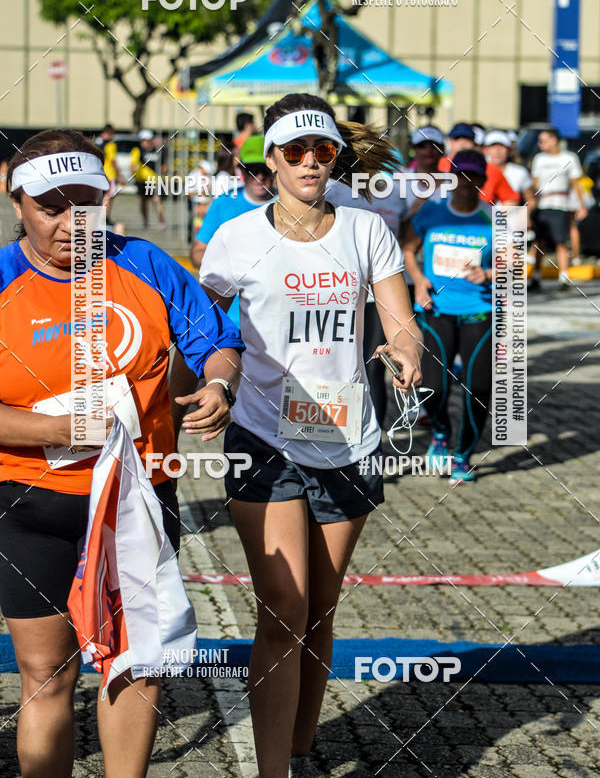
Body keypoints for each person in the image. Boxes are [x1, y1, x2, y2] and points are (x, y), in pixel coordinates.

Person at [178, 92, 422, 778]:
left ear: (334, 155)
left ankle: (300, 745)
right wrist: (207, 386)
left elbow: (399, 320)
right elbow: (204, 333)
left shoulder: (366, 229)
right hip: (263, 435)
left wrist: (406, 353)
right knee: (283, 606)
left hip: (348, 437)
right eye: (295, 151)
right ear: (270, 160)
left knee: (320, 607)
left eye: (322, 150)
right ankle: (271, 771)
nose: (311, 162)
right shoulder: (234, 239)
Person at [0, 129, 244, 778]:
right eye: (52, 207)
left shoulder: (144, 262)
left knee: (136, 667)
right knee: (47, 678)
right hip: (31, 503)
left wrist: (219, 383)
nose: (71, 223)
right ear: (16, 200)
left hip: (137, 500)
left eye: (87, 204)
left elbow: (217, 341)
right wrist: (52, 429)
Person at [402, 149, 493, 486]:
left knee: (479, 387)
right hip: (437, 310)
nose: (467, 184)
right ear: (450, 180)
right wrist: (419, 281)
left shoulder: (493, 217)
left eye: (475, 177)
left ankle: (463, 455)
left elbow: (516, 263)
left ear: (483, 181)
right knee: (433, 388)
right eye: (461, 176)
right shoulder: (433, 212)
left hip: (479, 312)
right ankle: (441, 432)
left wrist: (491, 273)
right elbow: (408, 248)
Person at [325, 159, 409, 428]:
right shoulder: (332, 190)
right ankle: (335, 431)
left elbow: (405, 237)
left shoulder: (396, 194)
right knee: (337, 365)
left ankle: (372, 439)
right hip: (337, 294)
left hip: (378, 297)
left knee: (372, 367)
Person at [189, 133, 276, 334]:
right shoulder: (223, 203)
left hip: (275, 321)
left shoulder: (287, 205)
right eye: (252, 170)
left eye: (265, 170)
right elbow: (197, 254)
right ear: (241, 171)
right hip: (230, 321)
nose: (260, 177)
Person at [530, 127, 587, 290]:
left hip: (561, 204)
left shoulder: (569, 157)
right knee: (539, 241)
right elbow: (534, 184)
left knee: (561, 241)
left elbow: (576, 184)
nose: (540, 144)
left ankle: (563, 277)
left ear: (554, 140)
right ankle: (536, 276)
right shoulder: (539, 159)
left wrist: (581, 206)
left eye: (543, 140)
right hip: (542, 204)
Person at [439, 122, 519, 206]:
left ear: (474, 143)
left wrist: (493, 216)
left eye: (467, 139)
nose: (462, 143)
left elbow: (511, 200)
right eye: (457, 139)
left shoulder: (491, 169)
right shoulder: (438, 165)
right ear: (450, 142)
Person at [484, 130, 535, 211]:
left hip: (511, 220)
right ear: (486, 150)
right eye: (493, 146)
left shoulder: (520, 172)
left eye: (502, 146)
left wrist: (525, 215)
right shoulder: (478, 171)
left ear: (509, 151)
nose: (497, 151)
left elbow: (531, 200)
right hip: (484, 220)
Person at [130, 129, 166, 229]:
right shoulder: (138, 151)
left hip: (155, 180)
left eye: (146, 140)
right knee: (143, 201)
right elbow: (133, 165)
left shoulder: (158, 150)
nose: (144, 142)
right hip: (142, 180)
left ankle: (161, 219)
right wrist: (134, 172)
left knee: (157, 199)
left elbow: (163, 166)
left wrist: (163, 174)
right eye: (143, 140)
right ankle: (145, 221)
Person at [95, 123, 124, 234]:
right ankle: (105, 219)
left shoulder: (96, 142)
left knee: (101, 197)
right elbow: (112, 161)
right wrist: (119, 176)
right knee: (108, 197)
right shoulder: (110, 145)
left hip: (99, 173)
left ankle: (101, 218)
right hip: (109, 174)